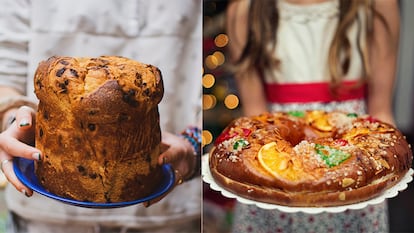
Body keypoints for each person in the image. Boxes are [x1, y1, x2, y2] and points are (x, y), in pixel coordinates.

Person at [0, 0, 202, 232]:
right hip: (42, 218)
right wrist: (13, 122)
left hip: (173, 215)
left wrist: (193, 143)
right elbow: (5, 73)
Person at [225, 0, 399, 232]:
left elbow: (381, 112)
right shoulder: (245, 10)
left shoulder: (377, 5)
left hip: (353, 180)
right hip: (276, 184)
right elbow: (255, 122)